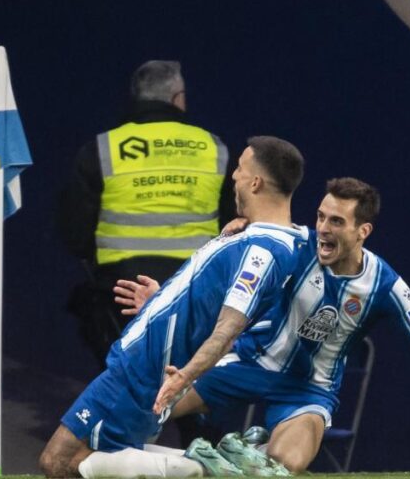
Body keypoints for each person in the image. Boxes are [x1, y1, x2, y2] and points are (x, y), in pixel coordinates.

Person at [115, 177, 410, 474]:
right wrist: (163, 297)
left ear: (362, 232)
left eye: (336, 221)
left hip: (308, 390)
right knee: (139, 409)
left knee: (283, 465)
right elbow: (224, 274)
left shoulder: (386, 287)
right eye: (320, 216)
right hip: (247, 363)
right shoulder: (292, 246)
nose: (323, 228)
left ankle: (243, 454)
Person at [39, 136, 309, 478]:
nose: (234, 177)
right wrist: (159, 303)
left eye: (240, 169)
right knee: (97, 460)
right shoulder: (264, 237)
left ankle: (204, 466)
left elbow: (228, 327)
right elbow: (209, 301)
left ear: (256, 182)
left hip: (144, 368)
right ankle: (201, 462)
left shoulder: (262, 250)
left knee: (58, 462)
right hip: (145, 363)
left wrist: (185, 377)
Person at [58, 60, 235, 367]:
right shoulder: (214, 149)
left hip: (120, 297)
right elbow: (235, 224)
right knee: (189, 391)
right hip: (194, 296)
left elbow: (75, 233)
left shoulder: (102, 149)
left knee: (127, 388)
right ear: (178, 98)